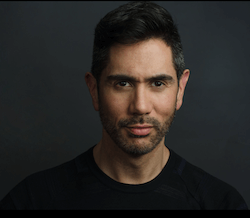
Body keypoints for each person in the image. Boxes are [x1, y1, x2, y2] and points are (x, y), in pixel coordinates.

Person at [0, 1, 248, 210]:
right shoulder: (32, 201)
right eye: (123, 83)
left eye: (158, 83)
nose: (140, 107)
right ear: (94, 89)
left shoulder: (220, 203)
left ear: (180, 90)